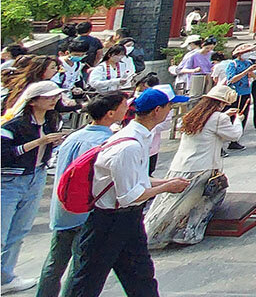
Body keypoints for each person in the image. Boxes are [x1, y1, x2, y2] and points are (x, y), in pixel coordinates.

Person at [64, 86, 190, 297]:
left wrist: (165, 181)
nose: (170, 111)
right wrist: (167, 187)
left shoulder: (139, 137)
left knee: (141, 277)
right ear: (157, 110)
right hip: (110, 221)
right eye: (169, 107)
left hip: (128, 219)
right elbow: (128, 196)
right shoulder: (129, 146)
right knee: (88, 282)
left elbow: (137, 179)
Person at [35, 92, 128, 297]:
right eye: (124, 106)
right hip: (85, 211)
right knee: (79, 266)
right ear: (110, 113)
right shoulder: (104, 142)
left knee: (55, 263)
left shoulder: (75, 136)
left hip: (63, 208)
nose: (127, 109)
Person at [144, 85, 242, 248]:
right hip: (202, 168)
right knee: (201, 203)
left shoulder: (194, 114)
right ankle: (187, 234)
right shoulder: (219, 118)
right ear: (221, 103)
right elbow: (235, 135)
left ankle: (152, 233)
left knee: (169, 204)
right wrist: (238, 120)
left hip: (181, 165)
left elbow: (209, 125)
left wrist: (225, 116)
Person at [2, 82, 68, 293]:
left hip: (36, 176)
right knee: (2, 232)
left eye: (55, 96)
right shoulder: (13, 125)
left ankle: (5, 277)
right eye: (48, 97)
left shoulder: (51, 121)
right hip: (9, 181)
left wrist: (51, 143)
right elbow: (4, 155)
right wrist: (40, 142)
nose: (53, 100)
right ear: (33, 100)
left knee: (19, 231)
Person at [223, 45, 256, 133]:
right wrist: (246, 71)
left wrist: (252, 74)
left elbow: (254, 77)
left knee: (243, 113)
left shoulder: (249, 63)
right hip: (235, 93)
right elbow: (232, 79)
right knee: (233, 114)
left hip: (246, 91)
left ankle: (239, 132)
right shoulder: (233, 64)